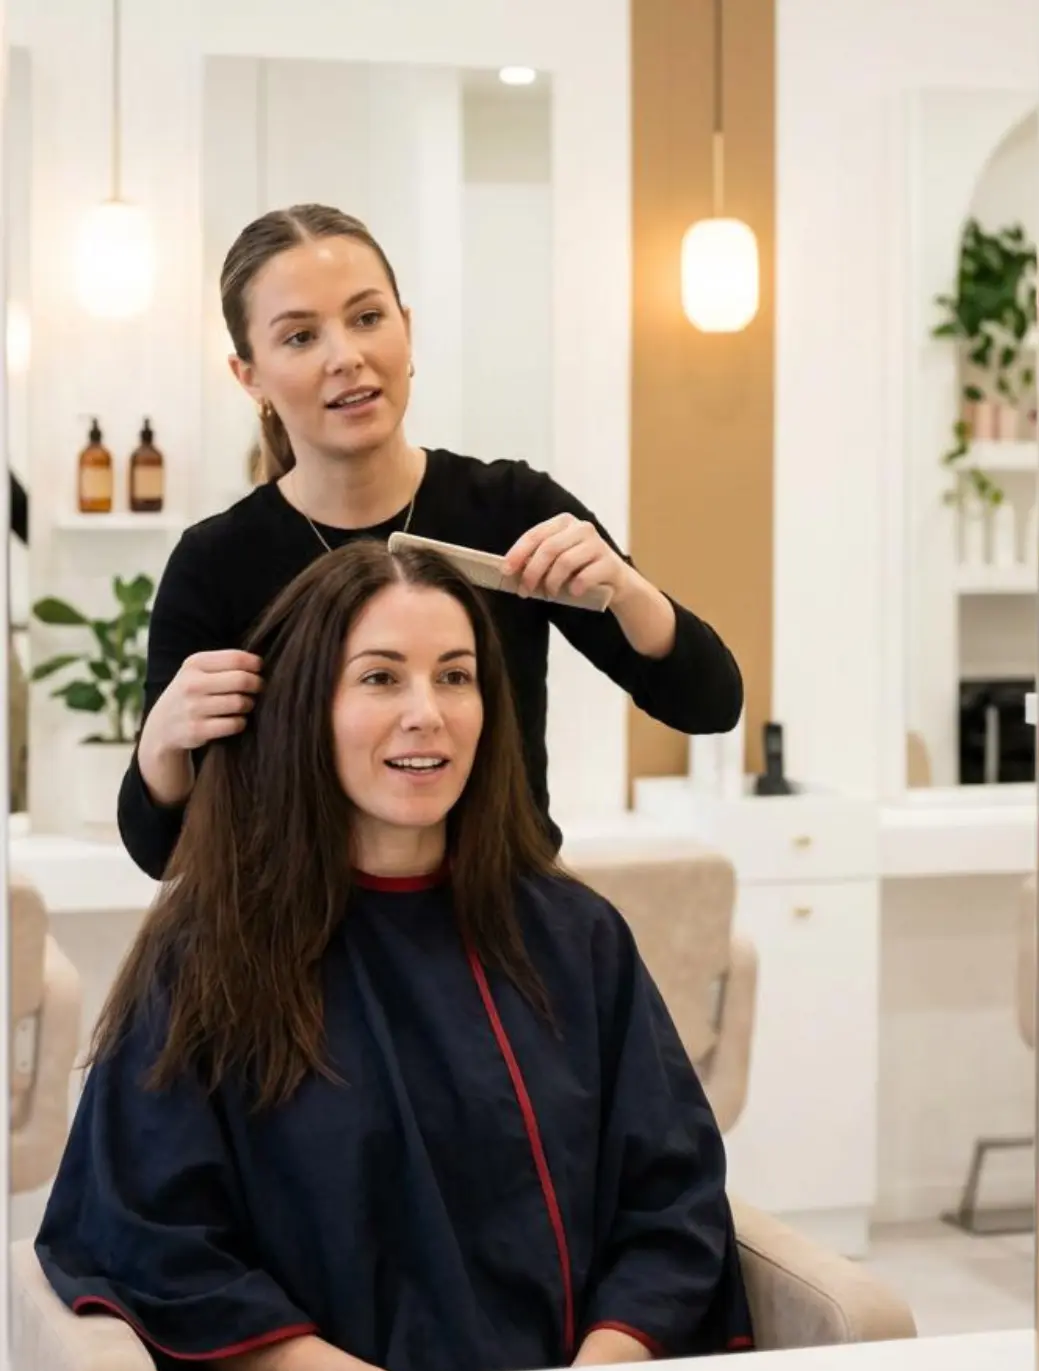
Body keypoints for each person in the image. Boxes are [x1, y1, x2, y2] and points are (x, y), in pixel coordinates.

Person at [38, 541, 753, 1371]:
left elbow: (670, 1204)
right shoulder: (212, 955)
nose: (427, 713)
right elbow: (160, 1245)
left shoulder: (576, 939)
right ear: (307, 707)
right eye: (380, 677)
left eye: (455, 677)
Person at [118, 203, 743, 880]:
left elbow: (709, 704)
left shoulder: (511, 512)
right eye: (300, 337)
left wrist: (626, 590)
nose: (346, 357)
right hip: (302, 937)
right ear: (250, 377)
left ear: (407, 330)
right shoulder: (216, 564)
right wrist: (163, 743)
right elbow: (163, 855)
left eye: (367, 318)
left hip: (501, 920)